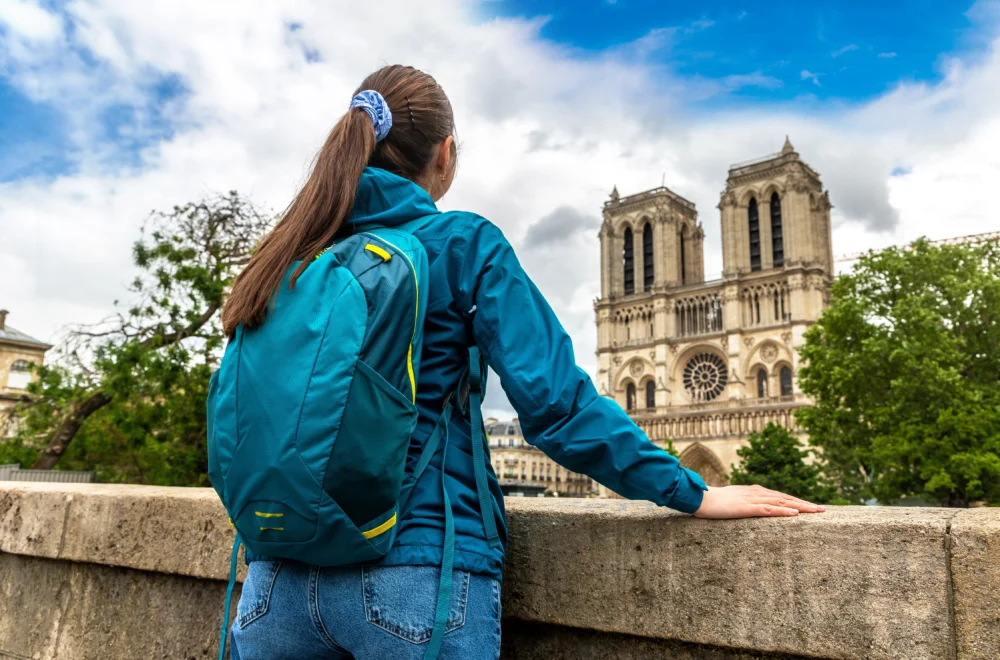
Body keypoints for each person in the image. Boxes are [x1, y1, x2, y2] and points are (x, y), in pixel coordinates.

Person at [219, 64, 824, 660]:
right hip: (414, 574)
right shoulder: (462, 244)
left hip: (275, 584)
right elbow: (558, 407)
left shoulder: (288, 258)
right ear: (446, 155)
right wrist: (690, 492)